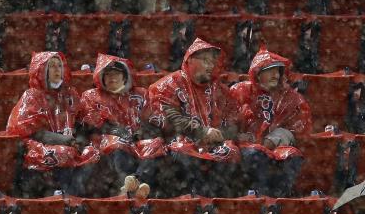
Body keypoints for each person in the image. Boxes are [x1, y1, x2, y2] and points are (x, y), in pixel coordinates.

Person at [145, 38, 243, 197]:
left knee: (231, 151)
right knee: (181, 151)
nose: (211, 65)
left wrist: (219, 135)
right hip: (180, 142)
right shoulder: (168, 84)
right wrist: (201, 132)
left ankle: (216, 201)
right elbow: (169, 118)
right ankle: (191, 199)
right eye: (205, 60)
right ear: (189, 60)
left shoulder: (220, 90)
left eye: (212, 61)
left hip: (214, 144)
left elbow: (233, 121)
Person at [7, 51, 96, 196]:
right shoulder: (32, 95)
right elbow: (29, 130)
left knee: (93, 153)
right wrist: (62, 140)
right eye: (52, 66)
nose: (57, 70)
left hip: (69, 143)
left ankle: (72, 195)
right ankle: (61, 194)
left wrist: (78, 140)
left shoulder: (71, 94)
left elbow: (82, 122)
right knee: (63, 153)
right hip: (41, 144)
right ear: (42, 70)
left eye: (59, 66)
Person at [77, 54, 166, 197]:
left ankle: (137, 180)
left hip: (137, 140)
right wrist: (118, 132)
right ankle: (127, 186)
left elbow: (154, 119)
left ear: (125, 77)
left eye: (116, 74)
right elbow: (91, 123)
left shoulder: (141, 94)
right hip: (107, 140)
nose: (112, 78)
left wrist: (141, 133)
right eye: (108, 75)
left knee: (156, 144)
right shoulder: (91, 96)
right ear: (102, 78)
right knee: (115, 145)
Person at [231, 49, 312, 197]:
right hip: (246, 146)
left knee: (292, 155)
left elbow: (299, 128)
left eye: (277, 71)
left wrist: (277, 137)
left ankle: (281, 198)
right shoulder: (241, 90)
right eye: (270, 70)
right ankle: (258, 195)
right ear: (258, 73)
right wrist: (237, 135)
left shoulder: (291, 97)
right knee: (255, 154)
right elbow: (226, 119)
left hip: (276, 147)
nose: (275, 75)